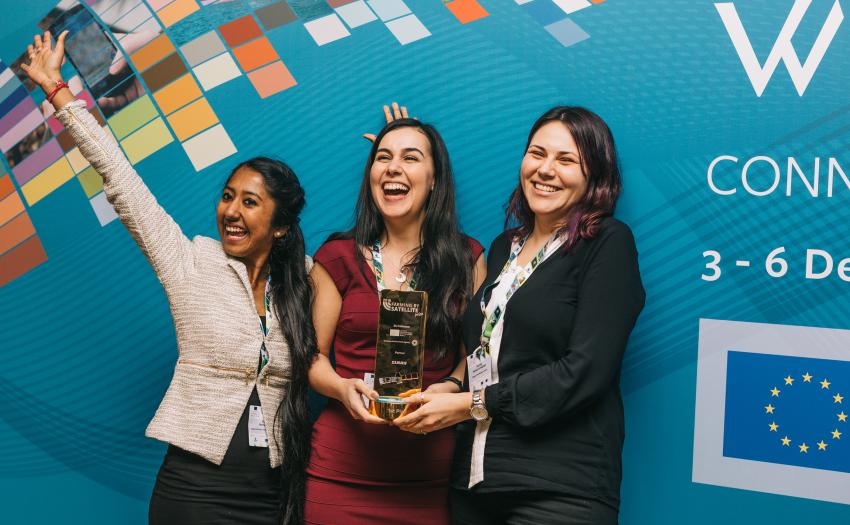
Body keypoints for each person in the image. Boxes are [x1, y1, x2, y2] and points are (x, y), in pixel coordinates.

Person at [22, 31, 316, 525]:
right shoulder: (190, 261)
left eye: (250, 202)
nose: (231, 212)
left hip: (274, 494)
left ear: (282, 225)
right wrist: (58, 93)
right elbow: (121, 180)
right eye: (227, 197)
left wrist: (390, 168)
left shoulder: (306, 282)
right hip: (194, 493)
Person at [394, 106, 646, 524]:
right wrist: (451, 387)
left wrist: (468, 404)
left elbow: (584, 371)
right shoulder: (503, 247)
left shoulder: (607, 243)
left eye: (566, 160)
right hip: (475, 482)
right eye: (537, 153)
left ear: (595, 175)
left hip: (559, 488)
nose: (545, 170)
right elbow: (489, 350)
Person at [305, 110, 487, 524]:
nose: (393, 168)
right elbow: (312, 356)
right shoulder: (336, 256)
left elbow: (475, 357)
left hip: (428, 478)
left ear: (436, 179)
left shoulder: (467, 258)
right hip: (340, 473)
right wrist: (339, 388)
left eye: (411, 158)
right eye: (382, 158)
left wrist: (450, 384)